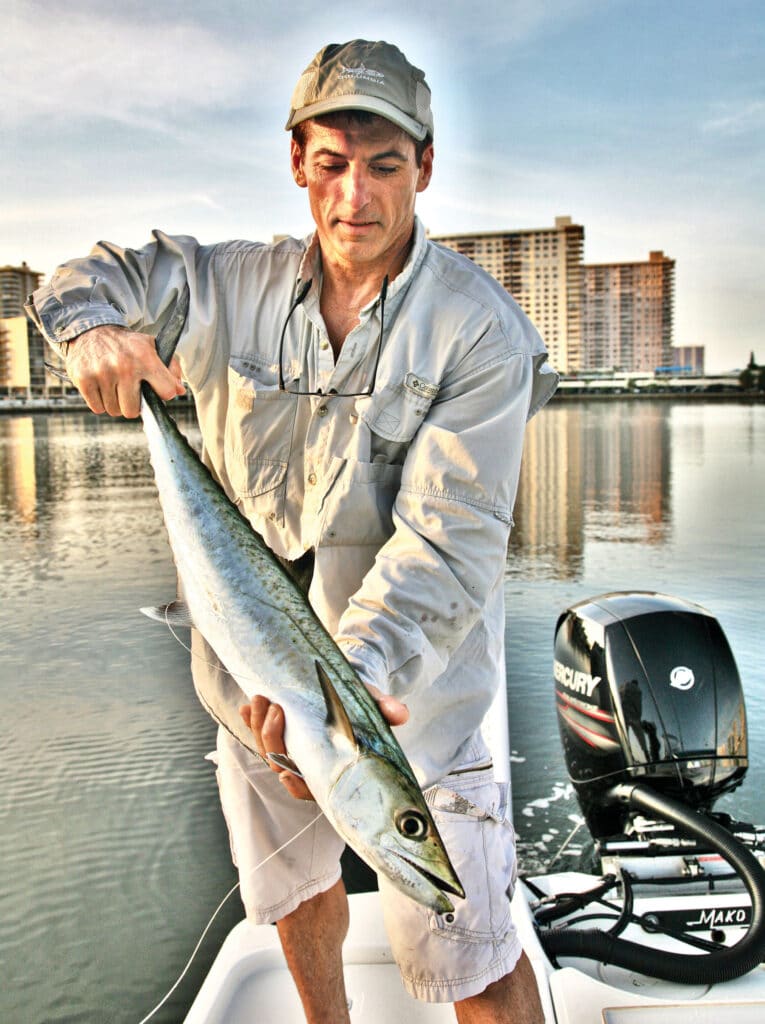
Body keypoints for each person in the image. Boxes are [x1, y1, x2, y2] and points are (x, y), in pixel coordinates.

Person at [28, 39, 557, 1023]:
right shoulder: (223, 284)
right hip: (249, 680)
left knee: (468, 948)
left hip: (415, 702)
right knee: (294, 890)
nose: (355, 195)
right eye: (331, 163)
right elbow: (89, 278)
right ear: (296, 163)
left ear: (426, 167)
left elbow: (451, 540)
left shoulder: (482, 333)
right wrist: (92, 329)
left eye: (385, 165)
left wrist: (339, 694)